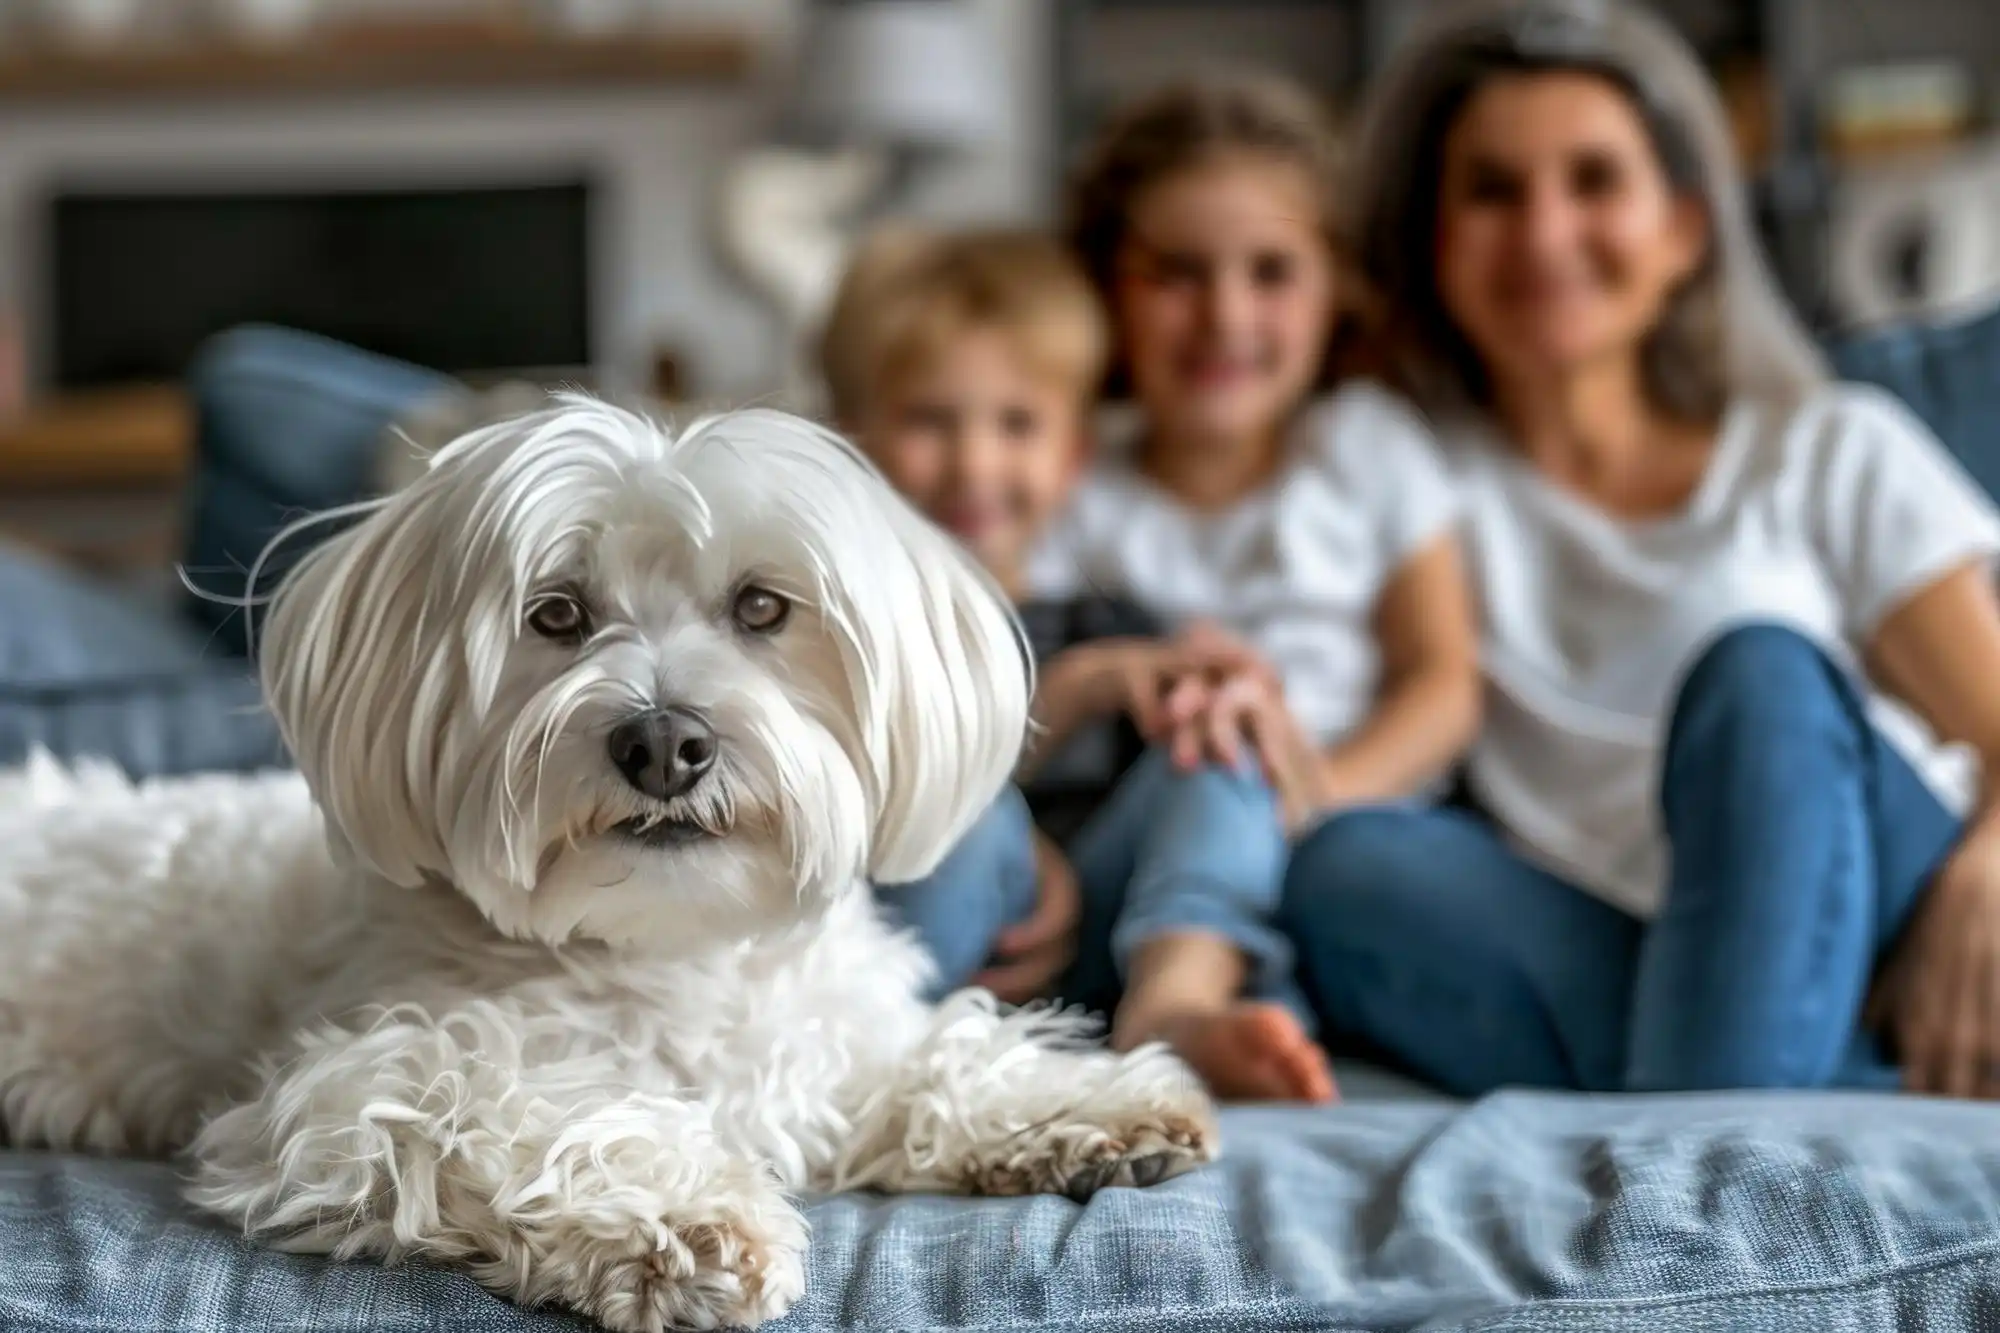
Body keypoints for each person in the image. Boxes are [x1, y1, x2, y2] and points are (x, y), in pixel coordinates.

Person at [1270, 0, 2000, 1099]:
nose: (1543, 233)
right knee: (1346, 864)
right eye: (1491, 191)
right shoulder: (1398, 481)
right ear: (1432, 239)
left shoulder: (1825, 444)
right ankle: (1793, 1090)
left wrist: (1989, 870)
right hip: (1621, 939)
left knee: (1758, 669)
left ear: (1683, 232)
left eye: (1594, 181)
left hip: (1879, 917)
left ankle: (1710, 1141)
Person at [1038, 75, 1481, 1097]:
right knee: (1219, 729)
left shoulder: (1366, 445)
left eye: (1271, 271)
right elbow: (1015, 711)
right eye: (1176, 274)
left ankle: (1246, 1005)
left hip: (1341, 836)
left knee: (1237, 739)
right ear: (1105, 285)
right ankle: (1172, 1009)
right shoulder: (1068, 480)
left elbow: (1443, 683)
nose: (1225, 315)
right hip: (1125, 880)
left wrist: (1304, 795)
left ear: (1336, 289)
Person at [822, 226, 1340, 1102]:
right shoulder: (845, 631)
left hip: (1107, 953)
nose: (976, 462)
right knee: (966, 816)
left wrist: (1233, 704)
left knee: (1215, 750)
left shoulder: (1112, 625)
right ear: (852, 442)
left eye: (1017, 424)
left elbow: (1248, 806)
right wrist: (1068, 699)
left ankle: (1175, 1006)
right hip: (924, 962)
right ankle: (874, 1061)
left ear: (1072, 457)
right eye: (929, 421)